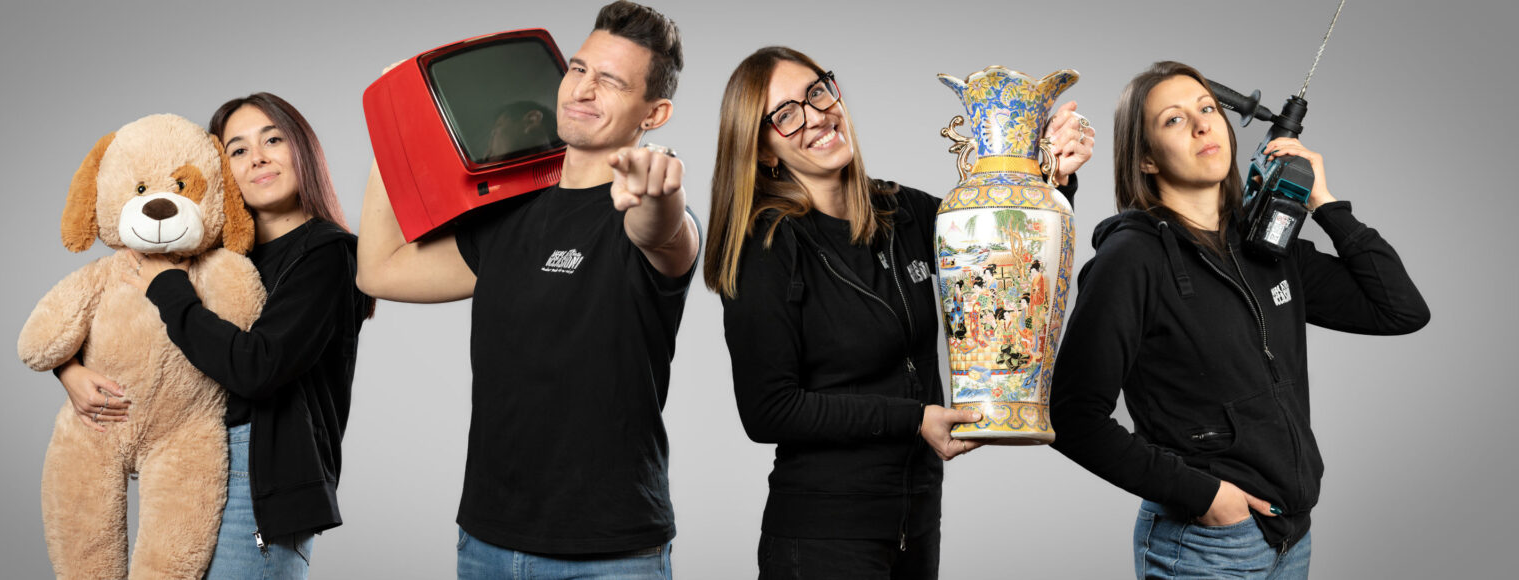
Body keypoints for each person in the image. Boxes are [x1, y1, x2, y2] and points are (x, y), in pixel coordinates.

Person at [704, 46, 1092, 579]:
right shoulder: (766, 247)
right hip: (822, 538)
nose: (816, 115)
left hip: (917, 523)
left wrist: (1050, 178)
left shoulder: (906, 211)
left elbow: (1009, 273)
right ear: (764, 150)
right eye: (786, 114)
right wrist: (914, 419)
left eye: (818, 92)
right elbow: (767, 410)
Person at [1047, 61, 1430, 579]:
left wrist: (1323, 202)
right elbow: (1072, 417)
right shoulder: (1131, 259)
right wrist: (1207, 497)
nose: (1202, 125)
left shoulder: (1266, 244)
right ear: (1146, 159)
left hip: (1291, 538)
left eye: (1207, 109)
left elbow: (1400, 309)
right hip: (1207, 545)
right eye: (1174, 119)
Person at [355, 2, 696, 578]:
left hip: (611, 556)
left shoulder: (646, 216)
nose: (583, 89)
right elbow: (378, 271)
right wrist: (394, 125)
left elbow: (661, 231)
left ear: (655, 113)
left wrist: (659, 194)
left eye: (611, 81)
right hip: (486, 543)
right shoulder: (506, 219)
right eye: (578, 69)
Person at [54, 92, 373, 579]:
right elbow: (126, 326)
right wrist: (69, 370)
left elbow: (257, 367)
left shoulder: (327, 254)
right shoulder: (213, 256)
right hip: (188, 464)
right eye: (238, 150)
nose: (257, 158)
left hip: (257, 479)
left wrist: (168, 288)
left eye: (273, 140)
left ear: (302, 149)